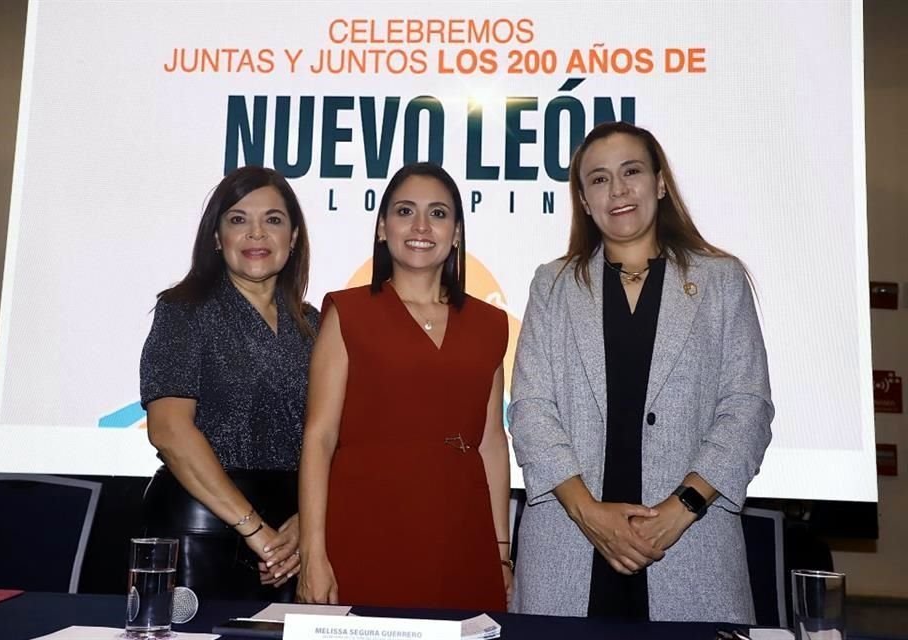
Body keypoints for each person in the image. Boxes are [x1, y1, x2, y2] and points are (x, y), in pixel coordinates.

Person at [508, 122, 774, 623]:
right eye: (599, 179)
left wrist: (679, 510)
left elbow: (747, 408)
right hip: (569, 549)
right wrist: (591, 515)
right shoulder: (552, 284)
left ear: (659, 182)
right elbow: (530, 409)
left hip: (689, 546)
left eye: (631, 172)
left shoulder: (720, 280)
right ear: (584, 200)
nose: (619, 190)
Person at [297, 162, 512, 611]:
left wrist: (501, 551)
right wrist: (313, 552)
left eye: (438, 213)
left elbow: (491, 442)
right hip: (364, 530)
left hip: (462, 538)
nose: (420, 226)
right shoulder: (347, 312)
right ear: (382, 228)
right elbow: (319, 438)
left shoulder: (490, 324)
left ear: (456, 232)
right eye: (404, 211)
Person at [139, 166, 318, 600]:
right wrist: (255, 530)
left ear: (293, 237)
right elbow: (169, 431)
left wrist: (304, 523)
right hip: (201, 531)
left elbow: (336, 437)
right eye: (238, 219)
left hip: (293, 541)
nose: (257, 234)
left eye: (273, 220)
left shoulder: (317, 325)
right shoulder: (183, 311)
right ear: (217, 237)